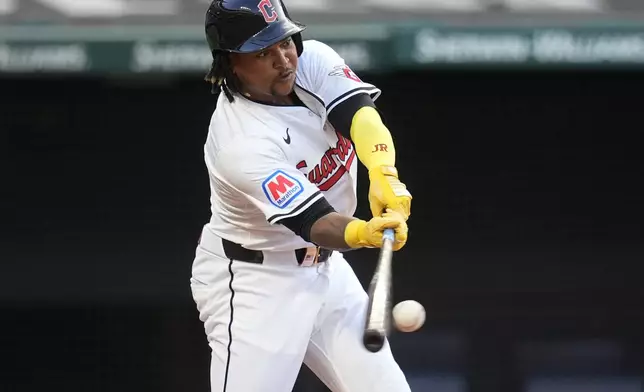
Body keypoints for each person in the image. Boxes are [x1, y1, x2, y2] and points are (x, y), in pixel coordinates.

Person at [190, 0, 413, 391]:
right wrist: (365, 233)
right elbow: (315, 222)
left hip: (327, 271)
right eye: (263, 52)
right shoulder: (239, 141)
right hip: (257, 280)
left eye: (286, 41)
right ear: (230, 64)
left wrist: (383, 173)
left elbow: (362, 115)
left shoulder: (311, 60)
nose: (284, 59)